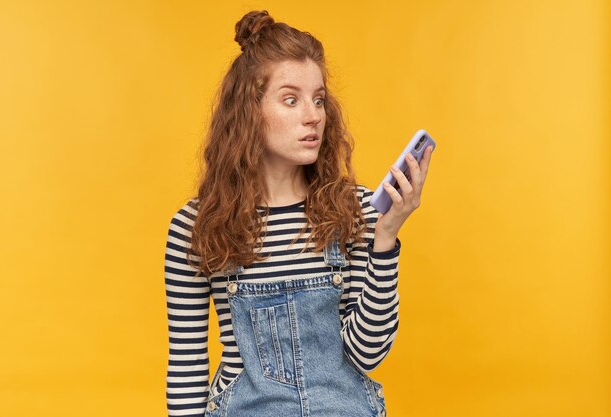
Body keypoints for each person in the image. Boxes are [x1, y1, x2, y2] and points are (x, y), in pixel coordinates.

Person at [164, 10, 434, 417]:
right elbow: (187, 363)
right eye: (291, 99)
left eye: (319, 99)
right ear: (249, 112)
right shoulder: (196, 226)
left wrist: (386, 238)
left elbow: (367, 354)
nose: (313, 116)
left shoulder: (356, 210)